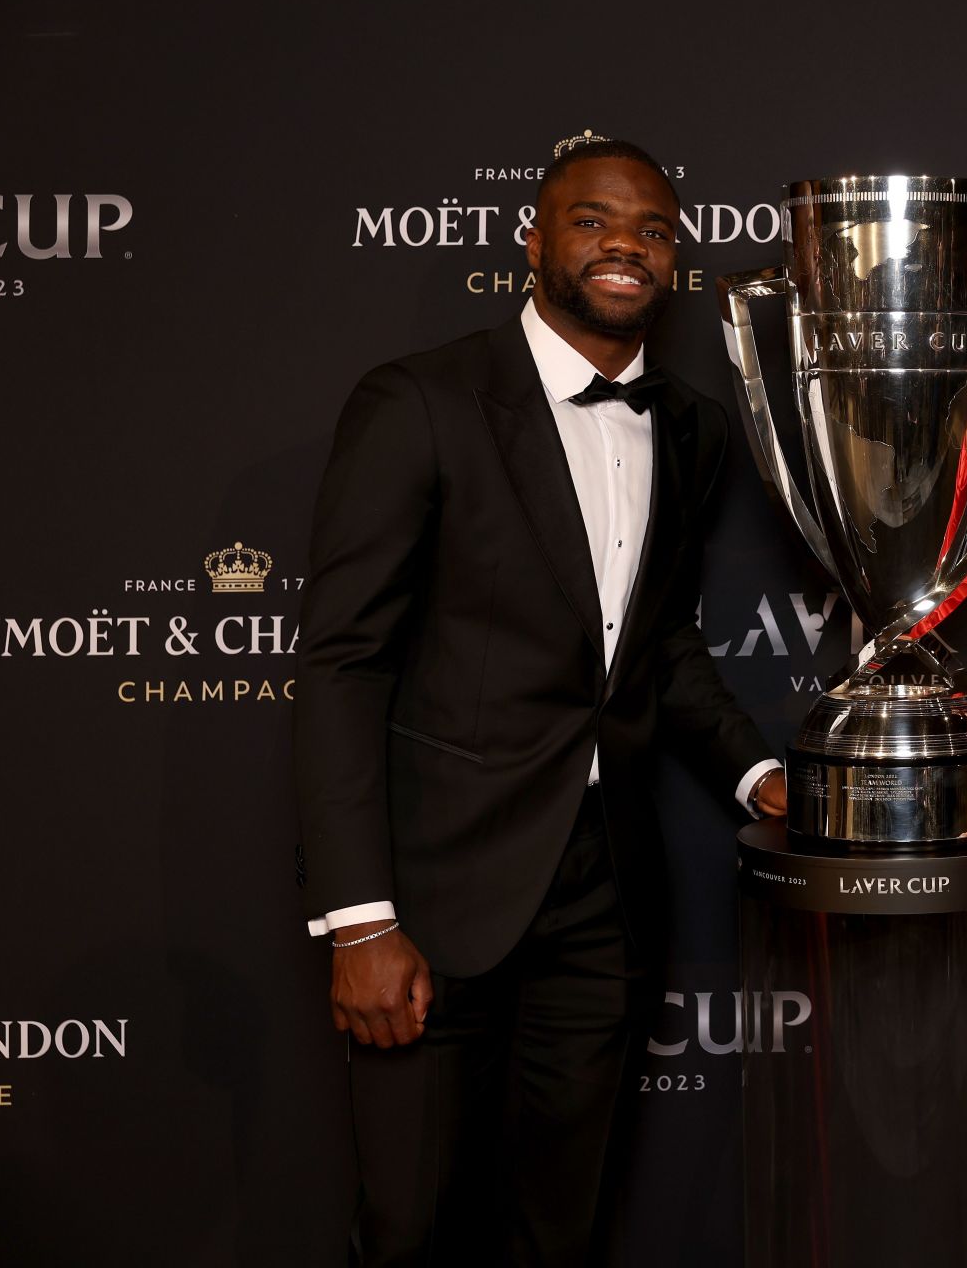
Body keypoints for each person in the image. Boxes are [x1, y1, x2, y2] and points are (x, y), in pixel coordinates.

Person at [293, 133, 786, 1266]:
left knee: (559, 1226)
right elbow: (342, 663)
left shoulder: (695, 429)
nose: (628, 244)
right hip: (432, 891)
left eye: (656, 229)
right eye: (594, 220)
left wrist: (761, 775)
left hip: (602, 897)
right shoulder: (420, 401)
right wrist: (361, 919)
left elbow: (656, 645)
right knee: (413, 1226)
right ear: (533, 241)